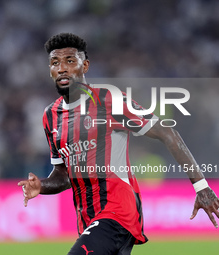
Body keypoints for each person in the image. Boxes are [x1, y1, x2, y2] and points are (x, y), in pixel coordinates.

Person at [17, 33, 219, 255]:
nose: (62, 68)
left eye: (70, 61)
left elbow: (167, 133)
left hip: (118, 211)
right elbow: (64, 174)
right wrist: (42, 186)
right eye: (55, 63)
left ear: (84, 66)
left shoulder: (108, 99)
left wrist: (202, 187)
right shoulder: (50, 116)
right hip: (87, 218)